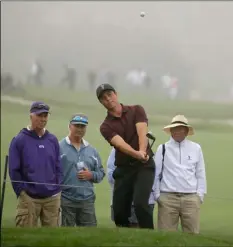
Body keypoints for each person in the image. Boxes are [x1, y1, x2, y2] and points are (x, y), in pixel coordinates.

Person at [96, 83, 155, 229]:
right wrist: (137, 154)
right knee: (119, 213)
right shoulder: (105, 126)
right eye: (104, 98)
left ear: (116, 94)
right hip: (124, 168)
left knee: (141, 204)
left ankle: (150, 238)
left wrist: (142, 152)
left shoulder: (136, 110)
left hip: (144, 166)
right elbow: (120, 144)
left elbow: (142, 132)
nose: (108, 99)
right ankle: (124, 238)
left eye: (109, 95)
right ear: (101, 103)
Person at [8, 101, 63, 227]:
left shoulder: (52, 139)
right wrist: (21, 192)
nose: (43, 119)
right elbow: (14, 170)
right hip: (29, 198)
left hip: (52, 198)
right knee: (25, 238)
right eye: (39, 116)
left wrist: (58, 187)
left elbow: (58, 166)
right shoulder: (19, 140)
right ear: (31, 116)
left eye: (45, 116)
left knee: (52, 240)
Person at [155, 115, 207, 234]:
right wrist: (158, 196)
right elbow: (156, 175)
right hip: (168, 198)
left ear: (186, 131)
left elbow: (200, 173)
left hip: (191, 198)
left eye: (181, 129)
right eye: (175, 129)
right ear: (171, 131)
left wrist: (199, 196)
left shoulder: (196, 148)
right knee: (166, 236)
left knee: (192, 235)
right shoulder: (162, 148)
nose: (178, 131)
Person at [59, 113, 105, 227]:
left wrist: (91, 175)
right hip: (66, 200)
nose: (80, 129)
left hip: (87, 201)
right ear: (70, 126)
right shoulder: (58, 147)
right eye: (77, 126)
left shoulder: (92, 150)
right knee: (66, 237)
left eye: (82, 126)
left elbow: (101, 173)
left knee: (90, 237)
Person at [107, 148, 156, 228]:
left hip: (146, 202)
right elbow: (111, 174)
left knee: (145, 233)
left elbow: (153, 175)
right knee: (124, 233)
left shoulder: (148, 151)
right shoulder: (117, 149)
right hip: (123, 201)